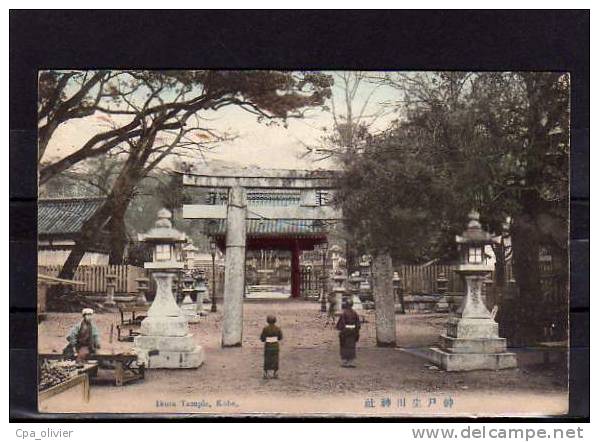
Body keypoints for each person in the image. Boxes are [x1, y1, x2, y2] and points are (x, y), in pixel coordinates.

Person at [336, 299, 361, 367]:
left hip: (345, 331)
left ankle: (345, 361)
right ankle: (351, 361)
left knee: (344, 346)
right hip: (353, 331)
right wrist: (356, 330)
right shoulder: (355, 313)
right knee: (352, 346)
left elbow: (341, 324)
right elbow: (358, 324)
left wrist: (342, 329)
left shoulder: (344, 313)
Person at [260, 315, 283, 379]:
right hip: (275, 345)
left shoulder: (265, 329)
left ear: (267, 321)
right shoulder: (278, 328)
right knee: (275, 359)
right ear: (275, 321)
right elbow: (280, 337)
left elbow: (262, 338)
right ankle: (275, 373)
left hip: (268, 345)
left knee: (267, 359)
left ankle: (265, 373)